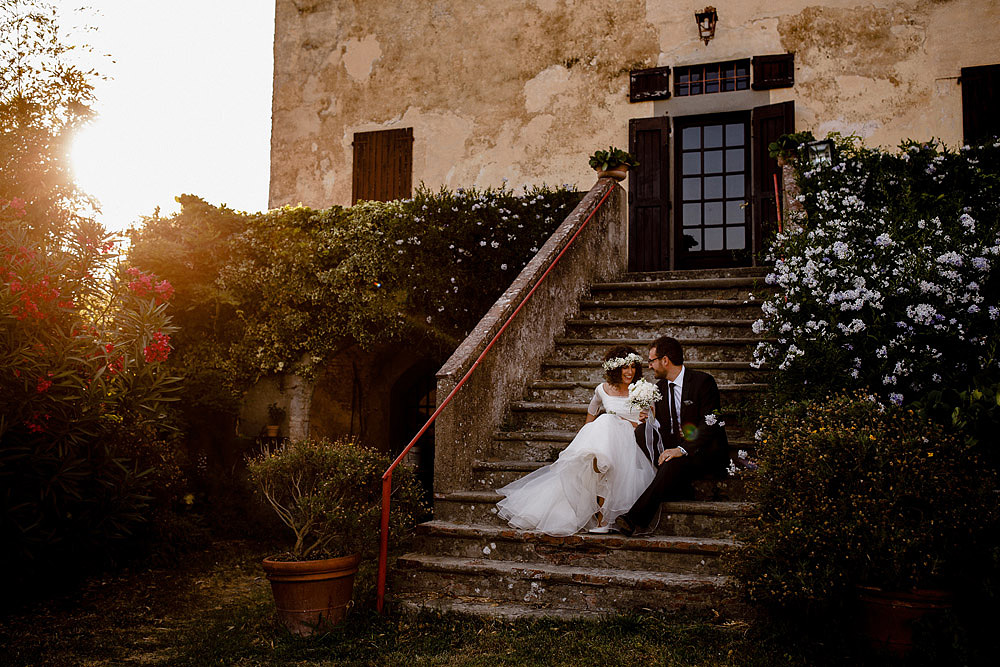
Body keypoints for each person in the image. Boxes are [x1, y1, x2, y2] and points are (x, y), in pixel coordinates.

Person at [495, 345, 656, 536]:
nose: (630, 372)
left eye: (632, 367)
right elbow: (592, 411)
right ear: (615, 368)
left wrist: (643, 420)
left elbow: (653, 419)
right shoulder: (602, 390)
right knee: (606, 421)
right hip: (606, 441)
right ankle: (599, 472)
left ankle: (604, 517)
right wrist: (587, 433)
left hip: (631, 441)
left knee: (609, 432)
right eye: (624, 367)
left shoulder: (642, 389)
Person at [615, 335, 730, 537]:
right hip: (677, 450)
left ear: (665, 360)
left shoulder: (703, 382)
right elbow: (664, 428)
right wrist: (650, 419)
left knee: (673, 461)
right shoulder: (659, 389)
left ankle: (634, 518)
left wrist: (682, 449)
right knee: (643, 432)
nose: (649, 366)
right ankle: (677, 486)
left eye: (651, 361)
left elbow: (711, 424)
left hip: (703, 451)